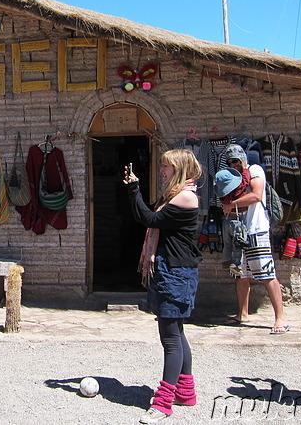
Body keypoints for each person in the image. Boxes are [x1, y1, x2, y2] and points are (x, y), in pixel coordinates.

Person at [122, 149, 202, 424]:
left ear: (179, 168)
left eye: (166, 166)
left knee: (170, 337)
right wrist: (134, 189)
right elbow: (142, 215)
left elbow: (150, 220)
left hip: (176, 274)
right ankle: (186, 392)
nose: (161, 170)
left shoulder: (185, 197)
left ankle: (163, 403)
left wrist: (135, 190)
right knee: (177, 332)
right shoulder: (173, 195)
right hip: (173, 271)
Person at [219, 144, 289, 334]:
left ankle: (280, 318)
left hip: (256, 229)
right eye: (230, 161)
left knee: (266, 273)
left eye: (236, 160)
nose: (233, 164)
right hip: (239, 230)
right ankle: (242, 314)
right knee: (241, 274)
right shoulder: (232, 177)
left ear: (243, 159)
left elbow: (256, 195)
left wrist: (231, 204)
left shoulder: (254, 170)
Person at [214, 166, 251, 276]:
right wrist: (245, 169)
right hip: (237, 221)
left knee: (228, 244)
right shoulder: (238, 191)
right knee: (238, 244)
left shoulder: (223, 195)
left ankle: (226, 261)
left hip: (226, 221)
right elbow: (245, 180)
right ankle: (236, 265)